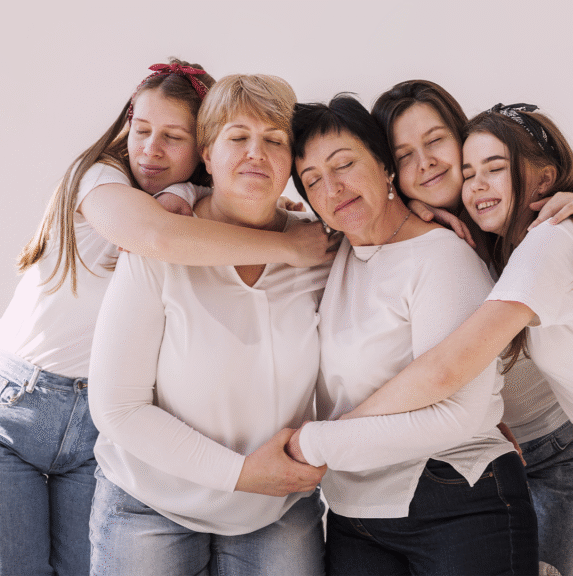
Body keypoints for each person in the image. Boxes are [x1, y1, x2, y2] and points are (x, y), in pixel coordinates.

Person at [0, 60, 337, 576]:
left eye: (173, 137)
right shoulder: (105, 182)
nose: (152, 149)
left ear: (198, 150)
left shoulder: (183, 206)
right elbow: (156, 237)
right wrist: (288, 246)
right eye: (142, 130)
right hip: (15, 403)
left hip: (94, 428)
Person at [87, 73, 329, 576]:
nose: (256, 153)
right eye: (238, 137)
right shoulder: (159, 244)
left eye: (274, 140)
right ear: (207, 155)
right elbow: (116, 408)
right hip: (149, 502)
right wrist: (240, 473)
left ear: (292, 161)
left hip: (276, 507)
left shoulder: (321, 250)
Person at [286, 94, 537, 574]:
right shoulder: (328, 256)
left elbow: (457, 415)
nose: (333, 188)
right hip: (354, 512)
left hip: (457, 496)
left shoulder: (443, 256)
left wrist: (316, 444)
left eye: (344, 165)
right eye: (313, 180)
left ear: (385, 167)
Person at [354, 82, 573, 576]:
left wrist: (342, 432)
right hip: (479, 457)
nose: (426, 163)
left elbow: (449, 366)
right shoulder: (414, 236)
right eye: (404, 155)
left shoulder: (539, 228)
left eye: (436, 141)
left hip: (552, 442)